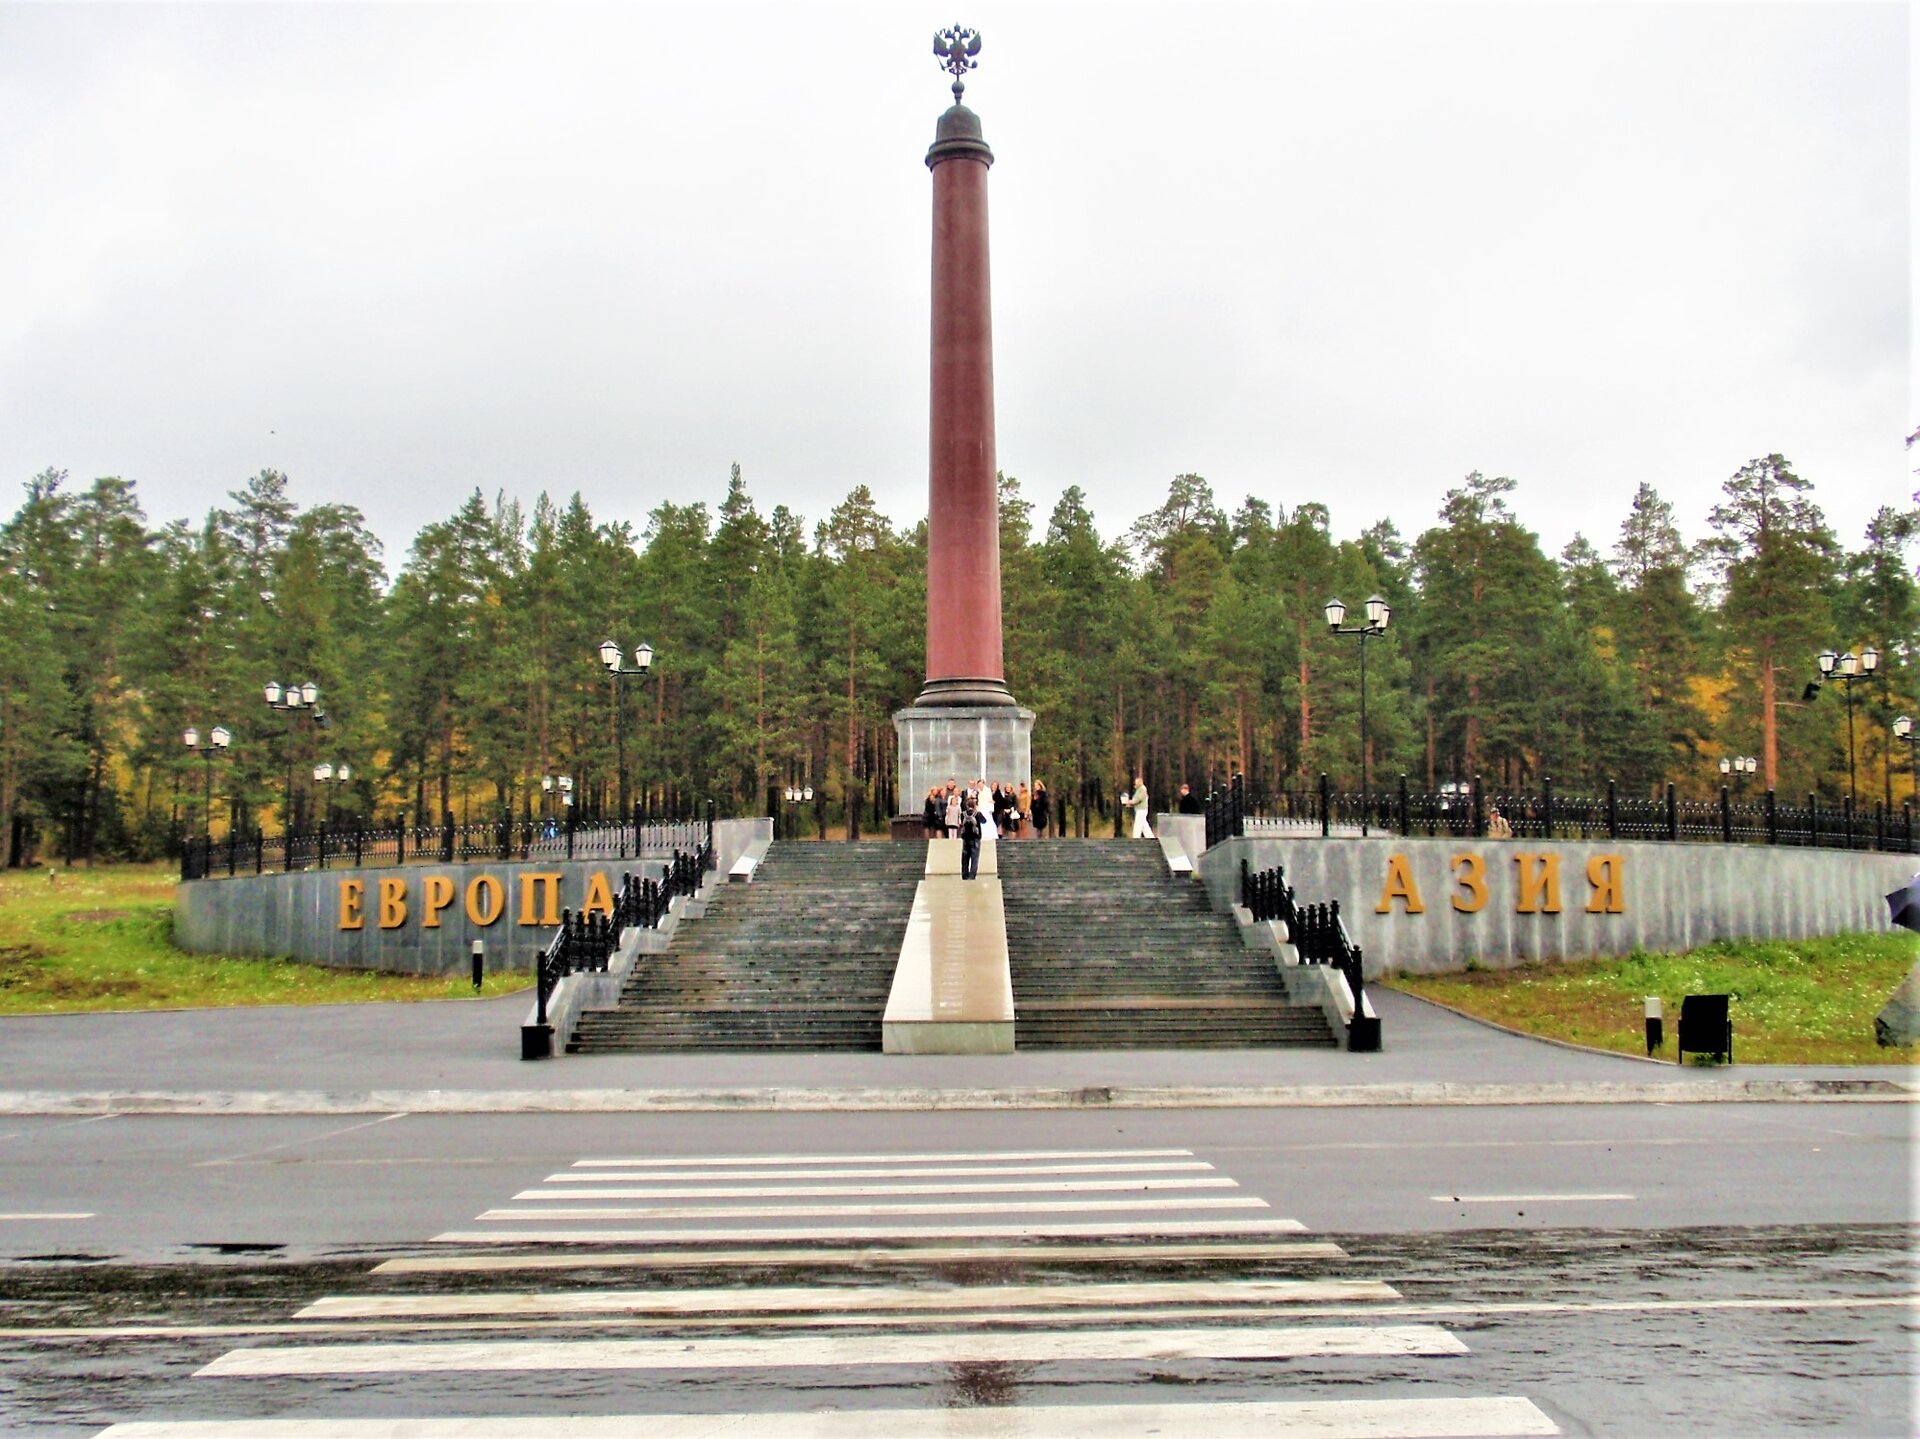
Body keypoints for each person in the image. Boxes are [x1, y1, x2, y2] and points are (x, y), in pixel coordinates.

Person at [959, 797, 982, 880]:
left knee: (965, 860)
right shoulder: (977, 814)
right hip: (975, 839)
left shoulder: (963, 814)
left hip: (965, 839)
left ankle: (964, 876)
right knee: (974, 859)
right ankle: (972, 877)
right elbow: (984, 821)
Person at [1126, 774, 1153, 839]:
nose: (1135, 783)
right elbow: (1136, 799)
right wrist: (1131, 803)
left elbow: (1139, 799)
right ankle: (1150, 837)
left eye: (1137, 782)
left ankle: (1136, 837)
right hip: (1139, 809)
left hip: (1142, 810)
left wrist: (1131, 802)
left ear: (1140, 782)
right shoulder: (1139, 789)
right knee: (1144, 824)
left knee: (1138, 824)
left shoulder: (1143, 789)